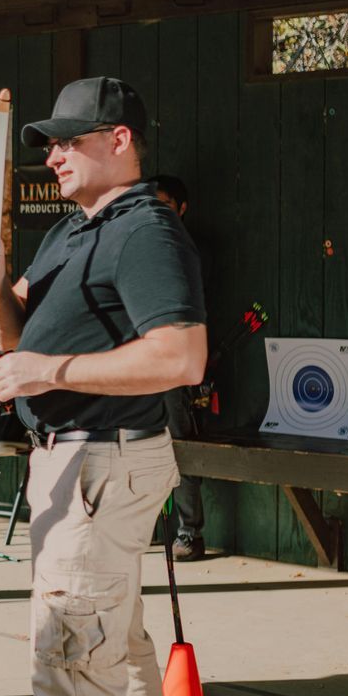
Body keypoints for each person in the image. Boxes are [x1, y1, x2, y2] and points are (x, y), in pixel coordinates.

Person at [0, 77, 207, 696]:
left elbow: (181, 357)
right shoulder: (75, 230)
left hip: (102, 463)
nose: (54, 155)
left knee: (73, 658)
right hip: (75, 463)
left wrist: (50, 370)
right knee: (118, 646)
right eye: (49, 143)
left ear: (120, 140)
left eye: (70, 139)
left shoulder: (146, 230)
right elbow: (14, 339)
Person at [150, 174, 208, 562]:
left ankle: (190, 533)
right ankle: (146, 529)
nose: (157, 212)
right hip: (135, 362)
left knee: (179, 449)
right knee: (136, 448)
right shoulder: (140, 244)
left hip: (173, 365)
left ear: (182, 209)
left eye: (165, 205)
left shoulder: (185, 249)